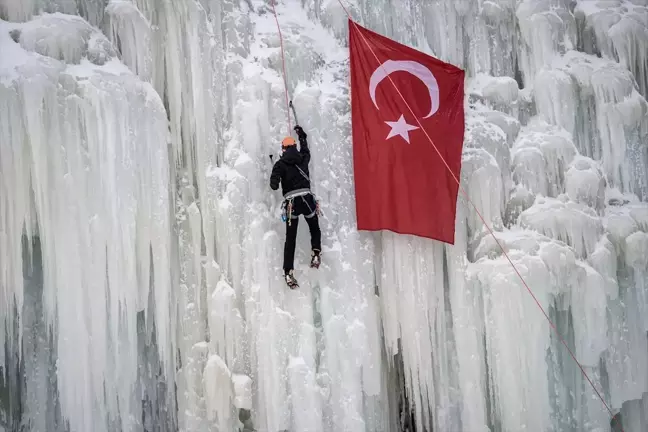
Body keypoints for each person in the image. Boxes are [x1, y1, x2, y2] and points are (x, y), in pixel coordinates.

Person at [270, 125, 321, 288]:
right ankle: (316, 253)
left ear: (283, 149)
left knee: (290, 238)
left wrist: (275, 172)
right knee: (314, 226)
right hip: (306, 199)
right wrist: (302, 135)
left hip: (291, 203)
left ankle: (288, 271)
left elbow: (274, 186)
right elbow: (306, 150)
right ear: (294, 146)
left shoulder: (280, 164)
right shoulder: (303, 158)